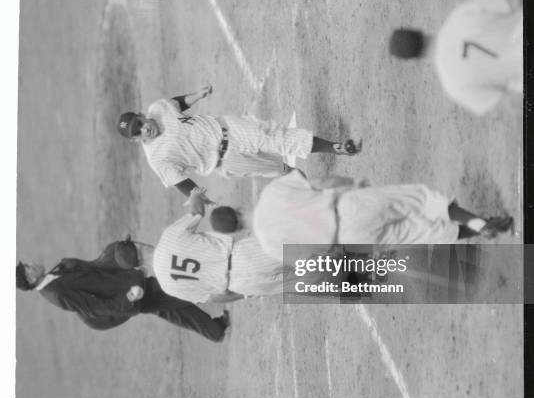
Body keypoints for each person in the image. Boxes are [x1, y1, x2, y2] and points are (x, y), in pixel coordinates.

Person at [117, 84, 362, 203]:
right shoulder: (158, 160)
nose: (143, 128)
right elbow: (182, 182)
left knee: (277, 136)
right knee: (284, 170)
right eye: (138, 132)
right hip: (227, 161)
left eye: (139, 122)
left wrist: (197, 95)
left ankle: (337, 147)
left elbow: (176, 104)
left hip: (230, 128)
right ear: (136, 141)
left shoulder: (157, 109)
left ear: (141, 114)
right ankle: (317, 197)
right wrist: (199, 198)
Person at [210, 171, 514, 263]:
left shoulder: (270, 248)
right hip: (348, 207)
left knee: (423, 233)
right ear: (235, 208)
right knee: (420, 199)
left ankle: (483, 229)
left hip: (350, 240)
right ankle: (479, 221)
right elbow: (324, 183)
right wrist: (354, 185)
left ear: (236, 233)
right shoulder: (271, 193)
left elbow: (317, 259)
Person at [16, 237, 229, 342]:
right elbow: (93, 308)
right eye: (27, 267)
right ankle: (225, 284)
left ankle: (214, 330)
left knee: (166, 307)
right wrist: (128, 299)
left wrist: (116, 256)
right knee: (175, 290)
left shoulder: (54, 276)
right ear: (30, 277)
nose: (30, 263)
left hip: (127, 284)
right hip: (128, 295)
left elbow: (94, 270)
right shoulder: (55, 293)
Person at [388, 0, 522, 116]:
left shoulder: (454, 86)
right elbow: (515, 2)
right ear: (417, 31)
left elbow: (511, 101)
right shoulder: (460, 15)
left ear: (415, 58)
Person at [151, 189, 292, 304]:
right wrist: (195, 195)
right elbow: (196, 213)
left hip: (240, 284)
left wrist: (246, 293)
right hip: (245, 256)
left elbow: (213, 298)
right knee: (305, 247)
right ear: (137, 245)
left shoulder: (168, 287)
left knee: (306, 280)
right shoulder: (167, 240)